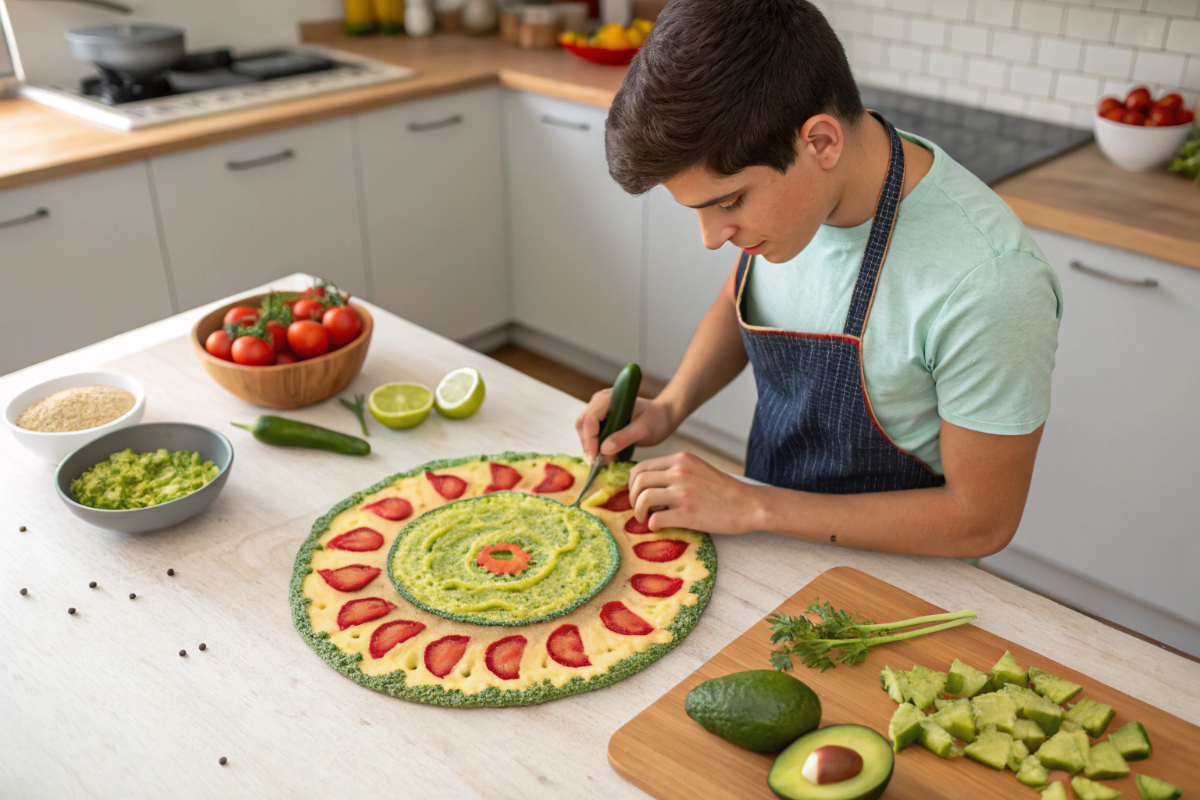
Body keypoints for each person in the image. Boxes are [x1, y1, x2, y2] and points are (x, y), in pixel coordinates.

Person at [575, 0, 1062, 559]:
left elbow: (981, 522)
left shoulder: (989, 281)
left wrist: (753, 505)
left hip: (899, 582)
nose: (711, 238)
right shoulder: (791, 211)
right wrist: (671, 404)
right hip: (770, 542)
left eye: (730, 201)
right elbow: (743, 297)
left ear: (822, 142)